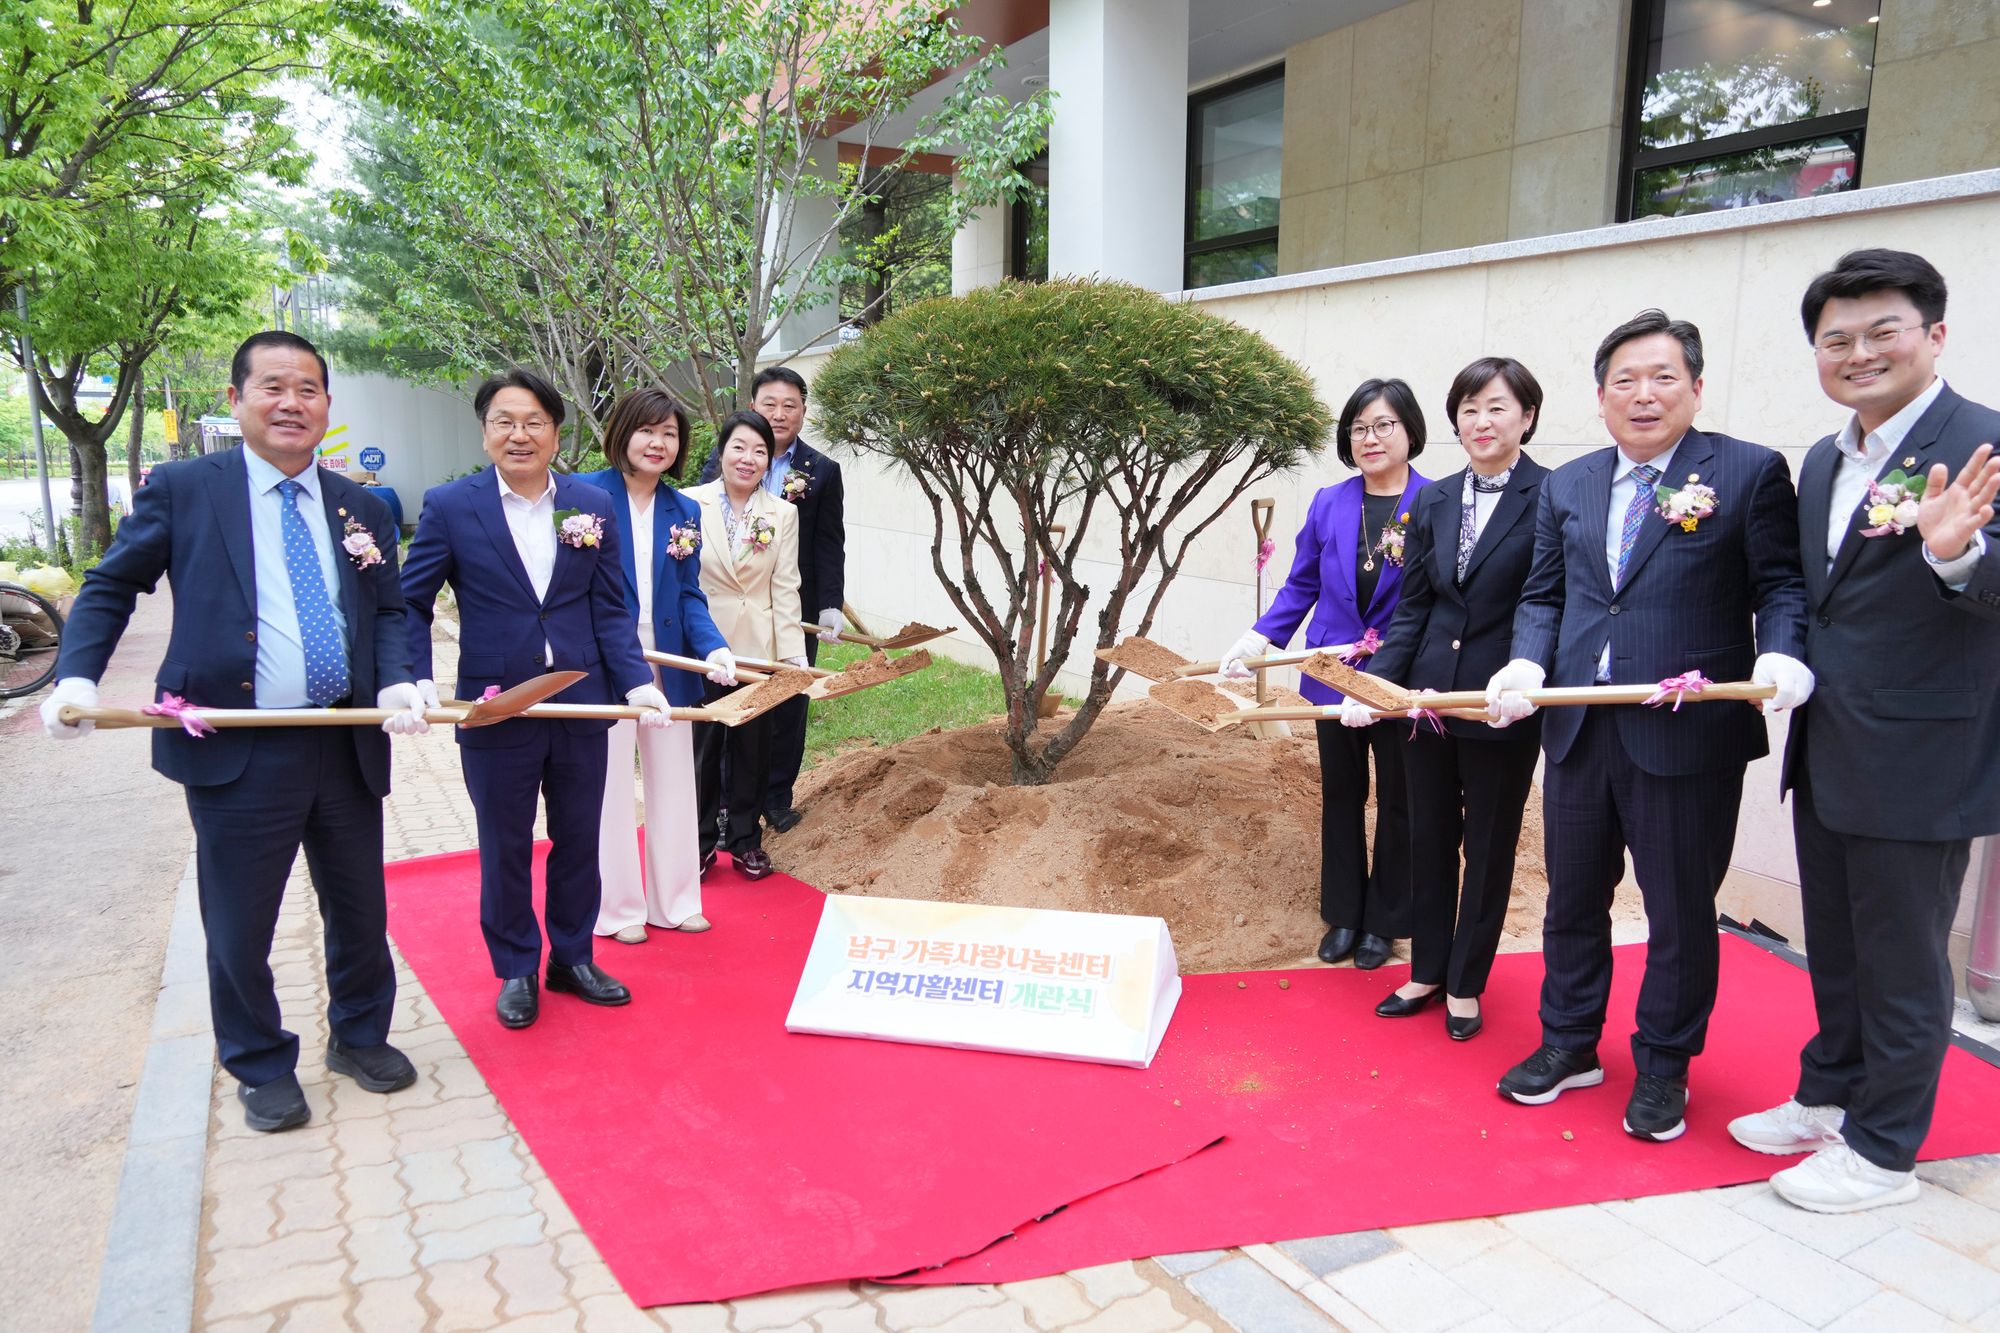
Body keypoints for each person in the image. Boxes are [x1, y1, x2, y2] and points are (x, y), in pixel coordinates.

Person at [41, 330, 430, 1133]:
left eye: (309, 389)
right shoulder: (187, 489)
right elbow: (113, 585)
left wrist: (395, 677)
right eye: (273, 387)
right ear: (236, 398)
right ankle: (257, 1059)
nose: (292, 403)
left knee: (359, 907)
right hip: (237, 746)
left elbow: (389, 608)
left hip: (343, 737)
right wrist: (74, 676)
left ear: (327, 404)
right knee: (240, 919)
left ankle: (359, 1036)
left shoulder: (361, 504)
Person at [1485, 310, 1812, 1142]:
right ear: (1599, 397)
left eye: (1663, 376)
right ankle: (1569, 1042)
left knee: (1677, 911)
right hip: (1579, 728)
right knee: (1571, 898)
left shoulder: (1747, 473)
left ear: (1696, 387)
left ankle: (1664, 1065)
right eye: (1624, 380)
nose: (1643, 394)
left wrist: (1780, 656)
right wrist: (1527, 662)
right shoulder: (1570, 483)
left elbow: (1780, 585)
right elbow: (1545, 595)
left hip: (1687, 738)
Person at [1728, 250, 2000, 1211]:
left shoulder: (1984, 442)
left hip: (1926, 753)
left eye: (1883, 330)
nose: (1859, 352)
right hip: (1832, 740)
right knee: (1836, 942)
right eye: (1836, 338)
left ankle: (1885, 1151)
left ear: (1934, 334)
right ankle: (1832, 1093)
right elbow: (1811, 590)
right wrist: (1783, 653)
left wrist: (1958, 555)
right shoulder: (1824, 458)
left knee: (1902, 957)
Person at [402, 367, 671, 1030]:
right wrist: (412, 676)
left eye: (533, 423)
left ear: (556, 433)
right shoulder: (450, 506)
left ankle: (573, 957)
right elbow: (409, 604)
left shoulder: (589, 505)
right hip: (498, 709)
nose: (518, 435)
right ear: (487, 430)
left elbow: (612, 607)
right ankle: (518, 966)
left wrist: (635, 680)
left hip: (583, 704)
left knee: (581, 838)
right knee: (505, 843)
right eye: (504, 421)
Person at [1343, 358, 1550, 1041]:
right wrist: (1380, 689)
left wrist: (1527, 674)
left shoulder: (1551, 494)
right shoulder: (1431, 501)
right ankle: (1427, 968)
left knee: (1488, 849)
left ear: (1526, 416)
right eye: (1468, 409)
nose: (1480, 422)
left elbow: (1545, 600)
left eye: (1496, 407)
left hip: (1501, 703)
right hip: (1427, 699)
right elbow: (1415, 606)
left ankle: (1467, 981)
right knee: (1426, 836)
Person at [1219, 378, 1429, 970]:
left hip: (1399, 678)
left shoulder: (1436, 503)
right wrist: (1261, 637)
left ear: (1409, 430)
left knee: (1398, 797)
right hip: (1330, 672)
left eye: (1384, 424)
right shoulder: (1329, 503)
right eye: (1360, 427)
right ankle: (1343, 913)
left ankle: (1385, 923)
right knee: (1341, 793)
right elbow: (1302, 584)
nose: (1371, 437)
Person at [581, 389, 739, 942]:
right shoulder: (581, 496)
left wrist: (714, 647)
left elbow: (689, 594)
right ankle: (618, 908)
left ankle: (674, 901)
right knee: (609, 786)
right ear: (623, 432)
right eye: (647, 430)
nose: (658, 443)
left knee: (675, 780)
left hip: (669, 662)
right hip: (604, 660)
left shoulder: (684, 510)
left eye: (669, 434)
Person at [696, 367, 844, 832]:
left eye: (790, 405)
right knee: (727, 710)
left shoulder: (821, 470)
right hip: (724, 614)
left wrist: (831, 605)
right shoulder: (721, 461)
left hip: (791, 610)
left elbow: (828, 542)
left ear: (803, 411)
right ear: (753, 406)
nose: (779, 414)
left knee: (787, 706)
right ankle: (723, 804)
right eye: (769, 404)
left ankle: (776, 796)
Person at [684, 409, 809, 880]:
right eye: (739, 447)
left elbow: (785, 587)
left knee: (753, 748)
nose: (749, 458)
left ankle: (744, 839)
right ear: (722, 451)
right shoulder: (687, 504)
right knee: (703, 744)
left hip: (759, 650)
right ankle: (697, 843)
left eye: (760, 450)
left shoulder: (783, 514)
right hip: (700, 647)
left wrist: (792, 654)